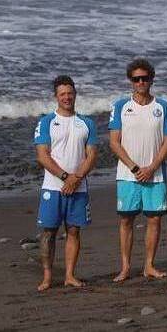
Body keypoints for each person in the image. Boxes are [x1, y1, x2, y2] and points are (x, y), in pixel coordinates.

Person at [108, 58, 167, 282]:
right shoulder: (120, 106)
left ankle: (149, 265)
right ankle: (126, 267)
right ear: (131, 81)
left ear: (151, 80)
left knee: (154, 220)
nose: (140, 82)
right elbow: (114, 142)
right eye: (136, 79)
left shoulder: (162, 106)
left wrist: (152, 167)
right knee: (126, 220)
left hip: (155, 175)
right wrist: (135, 167)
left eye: (144, 78)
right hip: (128, 175)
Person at [34, 75, 98, 291]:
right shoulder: (45, 122)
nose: (67, 97)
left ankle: (70, 275)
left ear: (75, 95)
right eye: (62, 94)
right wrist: (65, 177)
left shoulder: (87, 123)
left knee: (73, 231)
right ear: (56, 97)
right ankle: (47, 276)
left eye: (70, 93)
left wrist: (76, 178)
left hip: (79, 188)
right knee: (48, 233)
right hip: (53, 188)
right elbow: (42, 156)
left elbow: (91, 156)